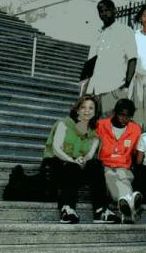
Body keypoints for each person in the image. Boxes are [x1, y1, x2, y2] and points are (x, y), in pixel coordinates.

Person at [41, 95, 112, 224]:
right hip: (56, 165)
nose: (87, 111)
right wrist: (72, 160)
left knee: (96, 164)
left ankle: (100, 210)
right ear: (77, 110)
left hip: (75, 168)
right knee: (71, 166)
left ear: (95, 112)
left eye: (91, 108)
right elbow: (57, 149)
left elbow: (90, 155)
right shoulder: (64, 124)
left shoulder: (94, 135)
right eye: (83, 107)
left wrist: (82, 160)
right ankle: (67, 209)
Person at [81, 0, 137, 117]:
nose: (104, 13)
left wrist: (126, 86)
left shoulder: (125, 31)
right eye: (101, 11)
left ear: (114, 10)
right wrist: (85, 90)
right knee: (96, 128)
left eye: (107, 10)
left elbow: (132, 59)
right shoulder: (98, 34)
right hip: (95, 90)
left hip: (114, 88)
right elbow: (90, 62)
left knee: (110, 127)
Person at [96, 98, 143, 223]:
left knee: (123, 178)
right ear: (115, 113)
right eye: (122, 115)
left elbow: (136, 151)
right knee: (111, 177)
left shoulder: (135, 129)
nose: (125, 119)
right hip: (105, 165)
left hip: (123, 167)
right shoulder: (101, 125)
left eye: (128, 116)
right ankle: (131, 207)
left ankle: (128, 206)